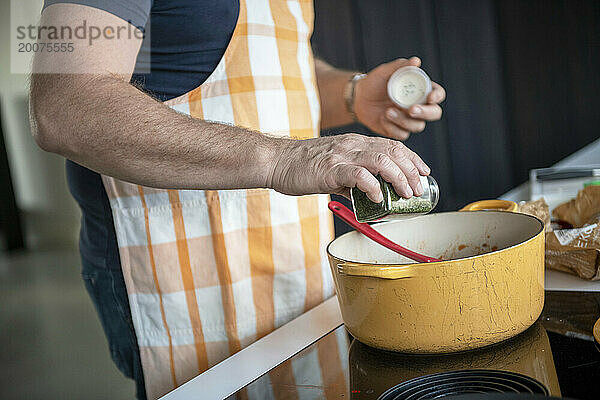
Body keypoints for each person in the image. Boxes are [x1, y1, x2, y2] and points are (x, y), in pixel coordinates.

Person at [30, 1, 445, 398]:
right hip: (174, 270)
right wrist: (285, 159)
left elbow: (269, 64)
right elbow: (62, 106)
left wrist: (350, 93)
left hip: (292, 255)